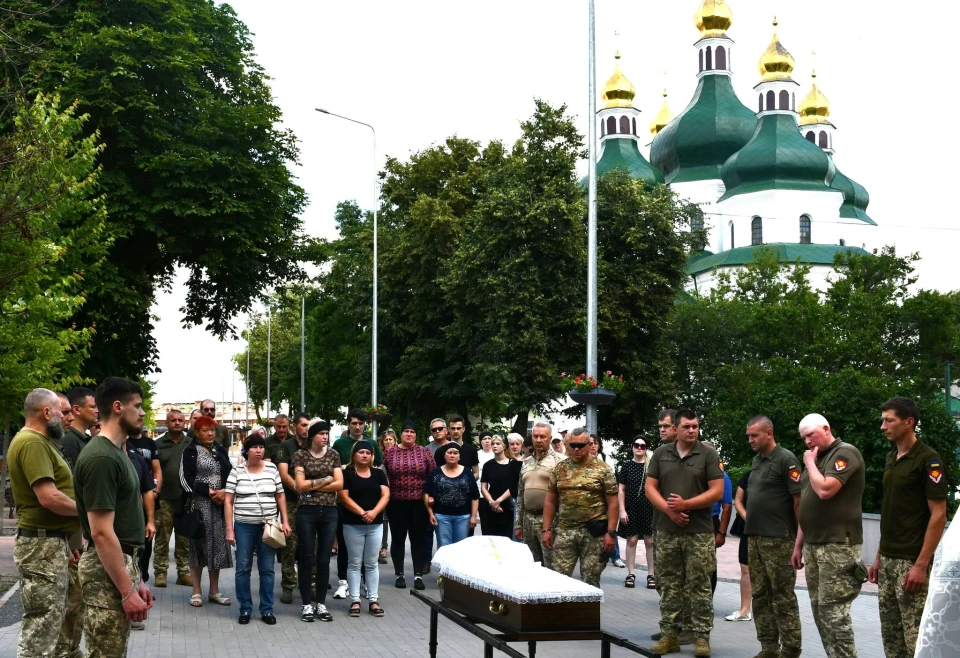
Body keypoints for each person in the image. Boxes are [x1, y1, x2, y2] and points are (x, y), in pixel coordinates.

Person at [74, 378, 153, 658]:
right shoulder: (101, 458)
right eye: (138, 406)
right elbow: (101, 533)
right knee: (105, 653)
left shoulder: (117, 453)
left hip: (119, 564)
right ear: (118, 407)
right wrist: (126, 589)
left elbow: (119, 527)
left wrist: (136, 580)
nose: (143, 413)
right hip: (104, 570)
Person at [868, 398, 948, 658]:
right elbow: (893, 511)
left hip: (910, 561)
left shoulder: (929, 460)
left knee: (915, 639)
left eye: (889, 420)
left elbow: (938, 515)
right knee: (891, 637)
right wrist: (879, 557)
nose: (883, 426)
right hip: (889, 559)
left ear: (908, 422)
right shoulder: (892, 457)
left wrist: (921, 565)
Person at [8, 389, 81, 658]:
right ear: (46, 412)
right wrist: (88, 512)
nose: (64, 417)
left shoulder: (39, 441)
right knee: (41, 628)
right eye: (61, 411)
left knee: (48, 622)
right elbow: (49, 497)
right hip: (41, 545)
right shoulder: (33, 443)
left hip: (50, 542)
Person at [645, 409, 724, 658]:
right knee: (668, 584)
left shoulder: (708, 454)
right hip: (667, 530)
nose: (692, 430)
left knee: (699, 585)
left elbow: (717, 491)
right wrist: (670, 512)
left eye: (696, 426)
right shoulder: (661, 454)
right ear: (676, 429)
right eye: (687, 426)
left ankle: (701, 637)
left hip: (698, 532)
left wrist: (686, 505)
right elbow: (650, 488)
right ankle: (670, 636)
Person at [792, 413, 866, 658]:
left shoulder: (845, 453)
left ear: (826, 429)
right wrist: (798, 545)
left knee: (834, 611)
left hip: (837, 544)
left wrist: (810, 463)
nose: (807, 442)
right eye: (803, 438)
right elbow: (807, 505)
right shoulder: (816, 458)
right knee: (819, 609)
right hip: (813, 543)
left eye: (810, 435)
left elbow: (825, 490)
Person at [742, 415, 802, 658]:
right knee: (760, 594)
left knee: (782, 596)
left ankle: (790, 649)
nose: (750, 440)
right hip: (755, 537)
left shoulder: (786, 459)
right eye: (748, 436)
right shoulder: (757, 460)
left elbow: (798, 501)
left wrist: (799, 540)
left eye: (754, 435)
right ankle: (768, 647)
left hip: (779, 539)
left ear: (769, 433)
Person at [224, 434, 290, 626]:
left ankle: (267, 609)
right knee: (243, 568)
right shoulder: (237, 471)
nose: (259, 450)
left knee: (267, 569)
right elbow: (228, 501)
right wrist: (230, 529)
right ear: (247, 450)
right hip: (244, 526)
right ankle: (245, 607)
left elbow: (280, 496)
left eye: (262, 447)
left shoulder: (272, 469)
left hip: (268, 527)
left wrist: (285, 521)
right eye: (255, 447)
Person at [541, 427, 618, 588]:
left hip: (593, 532)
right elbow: (550, 501)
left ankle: (587, 613)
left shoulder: (603, 469)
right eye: (572, 445)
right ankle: (563, 613)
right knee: (558, 578)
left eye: (581, 445)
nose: (576, 449)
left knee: (590, 580)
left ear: (590, 444)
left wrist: (611, 533)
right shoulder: (560, 468)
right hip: (565, 530)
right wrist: (546, 529)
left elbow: (613, 503)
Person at [179, 414, 233, 608]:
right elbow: (185, 479)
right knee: (198, 548)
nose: (210, 433)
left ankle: (214, 591)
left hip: (219, 507)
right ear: (197, 432)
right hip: (199, 506)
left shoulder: (220, 450)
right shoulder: (190, 451)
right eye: (205, 430)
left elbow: (231, 473)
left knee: (217, 548)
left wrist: (225, 491)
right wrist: (208, 491)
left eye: (212, 430)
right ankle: (196, 591)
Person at [292, 419, 342, 622]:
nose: (325, 437)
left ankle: (321, 603)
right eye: (321, 433)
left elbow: (339, 483)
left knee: (323, 559)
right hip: (306, 511)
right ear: (312, 436)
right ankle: (306, 605)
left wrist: (313, 485)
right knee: (306, 558)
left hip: (329, 511)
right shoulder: (300, 455)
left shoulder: (333, 454)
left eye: (326, 433)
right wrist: (326, 479)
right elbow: (299, 485)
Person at [331, 409, 383, 600]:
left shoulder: (371, 443)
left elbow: (380, 466)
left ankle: (367, 585)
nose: (358, 426)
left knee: (368, 553)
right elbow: (333, 467)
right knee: (345, 545)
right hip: (345, 501)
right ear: (348, 424)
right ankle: (344, 582)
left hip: (369, 501)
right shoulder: (340, 443)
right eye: (354, 423)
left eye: (361, 423)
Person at [339, 439, 389, 618]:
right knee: (354, 563)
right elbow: (344, 497)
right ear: (354, 454)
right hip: (353, 524)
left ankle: (373, 600)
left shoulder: (378, 473)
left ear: (372, 455)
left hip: (375, 524)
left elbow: (386, 494)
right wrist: (362, 513)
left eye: (368, 453)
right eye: (361, 452)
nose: (365, 455)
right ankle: (355, 601)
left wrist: (374, 512)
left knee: (372, 563)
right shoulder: (347, 473)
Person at [383, 420, 434, 591]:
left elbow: (432, 475)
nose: (409, 434)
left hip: (419, 503)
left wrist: (431, 496)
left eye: (412, 432)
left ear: (416, 435)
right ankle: (399, 574)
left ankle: (418, 575)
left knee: (418, 539)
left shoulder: (424, 452)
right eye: (406, 432)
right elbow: (384, 476)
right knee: (398, 539)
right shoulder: (390, 453)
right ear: (401, 434)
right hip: (396, 503)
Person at [53, 391, 85, 658]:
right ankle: (65, 651)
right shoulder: (67, 443)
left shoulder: (63, 442)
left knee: (75, 602)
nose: (68, 417)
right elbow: (55, 498)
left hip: (71, 539)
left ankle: (71, 650)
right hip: (56, 541)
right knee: (67, 605)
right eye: (64, 412)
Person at [514, 422, 565, 568]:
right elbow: (520, 494)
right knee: (532, 566)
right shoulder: (526, 462)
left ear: (549, 438)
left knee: (551, 566)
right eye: (535, 436)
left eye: (542, 436)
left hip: (550, 521)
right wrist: (518, 524)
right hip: (528, 519)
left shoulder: (559, 461)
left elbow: (564, 495)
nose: (538, 440)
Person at [275, 411, 311, 603]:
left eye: (308, 425)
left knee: (311, 543)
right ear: (294, 426)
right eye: (303, 425)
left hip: (313, 501)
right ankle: (288, 585)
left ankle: (311, 584)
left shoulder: (314, 445)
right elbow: (283, 473)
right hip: (291, 500)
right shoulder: (285, 446)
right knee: (290, 544)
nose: (306, 429)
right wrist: (299, 488)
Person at [154, 409, 192, 587]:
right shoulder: (158, 444)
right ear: (166, 423)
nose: (177, 423)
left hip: (185, 499)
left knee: (184, 539)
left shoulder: (191, 443)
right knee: (162, 537)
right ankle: (160, 572)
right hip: (164, 499)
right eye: (173, 420)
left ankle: (183, 572)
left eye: (180, 420)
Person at [124, 434, 158, 630]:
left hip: (137, 524)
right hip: (114, 527)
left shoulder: (137, 457)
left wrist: (150, 521)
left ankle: (134, 607)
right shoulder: (103, 455)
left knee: (138, 562)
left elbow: (148, 490)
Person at [618, 434, 656, 589]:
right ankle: (631, 573)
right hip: (631, 508)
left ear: (646, 448)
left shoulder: (651, 466)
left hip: (649, 508)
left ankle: (651, 574)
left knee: (650, 541)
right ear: (632, 447)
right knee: (631, 540)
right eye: (637, 445)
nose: (639, 448)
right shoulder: (626, 466)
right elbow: (621, 490)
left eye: (643, 446)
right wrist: (622, 510)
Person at [426, 443, 479, 546]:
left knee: (460, 547)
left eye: (455, 453)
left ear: (459, 456)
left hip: (463, 517)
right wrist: (430, 513)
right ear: (445, 455)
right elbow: (427, 493)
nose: (452, 455)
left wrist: (473, 516)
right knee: (444, 547)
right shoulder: (436, 472)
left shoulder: (467, 473)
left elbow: (475, 497)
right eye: (449, 452)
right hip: (441, 516)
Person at [127, 426, 160, 582]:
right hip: (126, 511)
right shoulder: (113, 451)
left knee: (145, 547)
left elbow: (156, 471)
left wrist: (155, 492)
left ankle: (142, 582)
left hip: (146, 506)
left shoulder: (142, 453)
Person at [704, 441, 732, 593]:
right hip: (693, 519)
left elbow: (727, 507)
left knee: (708, 563)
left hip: (711, 522)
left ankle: (709, 596)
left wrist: (721, 533)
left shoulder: (722, 476)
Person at [480, 436, 520, 538]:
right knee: (490, 537)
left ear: (504, 446)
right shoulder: (487, 465)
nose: (494, 446)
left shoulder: (514, 464)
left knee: (507, 538)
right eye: (493, 444)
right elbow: (484, 487)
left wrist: (498, 501)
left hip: (508, 505)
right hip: (491, 505)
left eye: (498, 444)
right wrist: (492, 502)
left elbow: (514, 485)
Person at [726, 469, 752, 622]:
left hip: (771, 529)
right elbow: (739, 499)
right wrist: (747, 517)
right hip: (748, 527)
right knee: (745, 567)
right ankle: (745, 610)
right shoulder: (749, 474)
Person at [62, 387, 97, 470]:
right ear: (77, 409)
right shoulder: (69, 439)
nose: (97, 411)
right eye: (92, 407)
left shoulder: (84, 438)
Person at [376, 429, 397, 563]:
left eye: (391, 439)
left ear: (395, 441)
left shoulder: (399, 453)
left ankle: (395, 546)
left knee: (395, 520)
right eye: (386, 439)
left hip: (397, 491)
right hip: (383, 490)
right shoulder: (380, 456)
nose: (388, 441)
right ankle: (383, 547)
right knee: (384, 519)